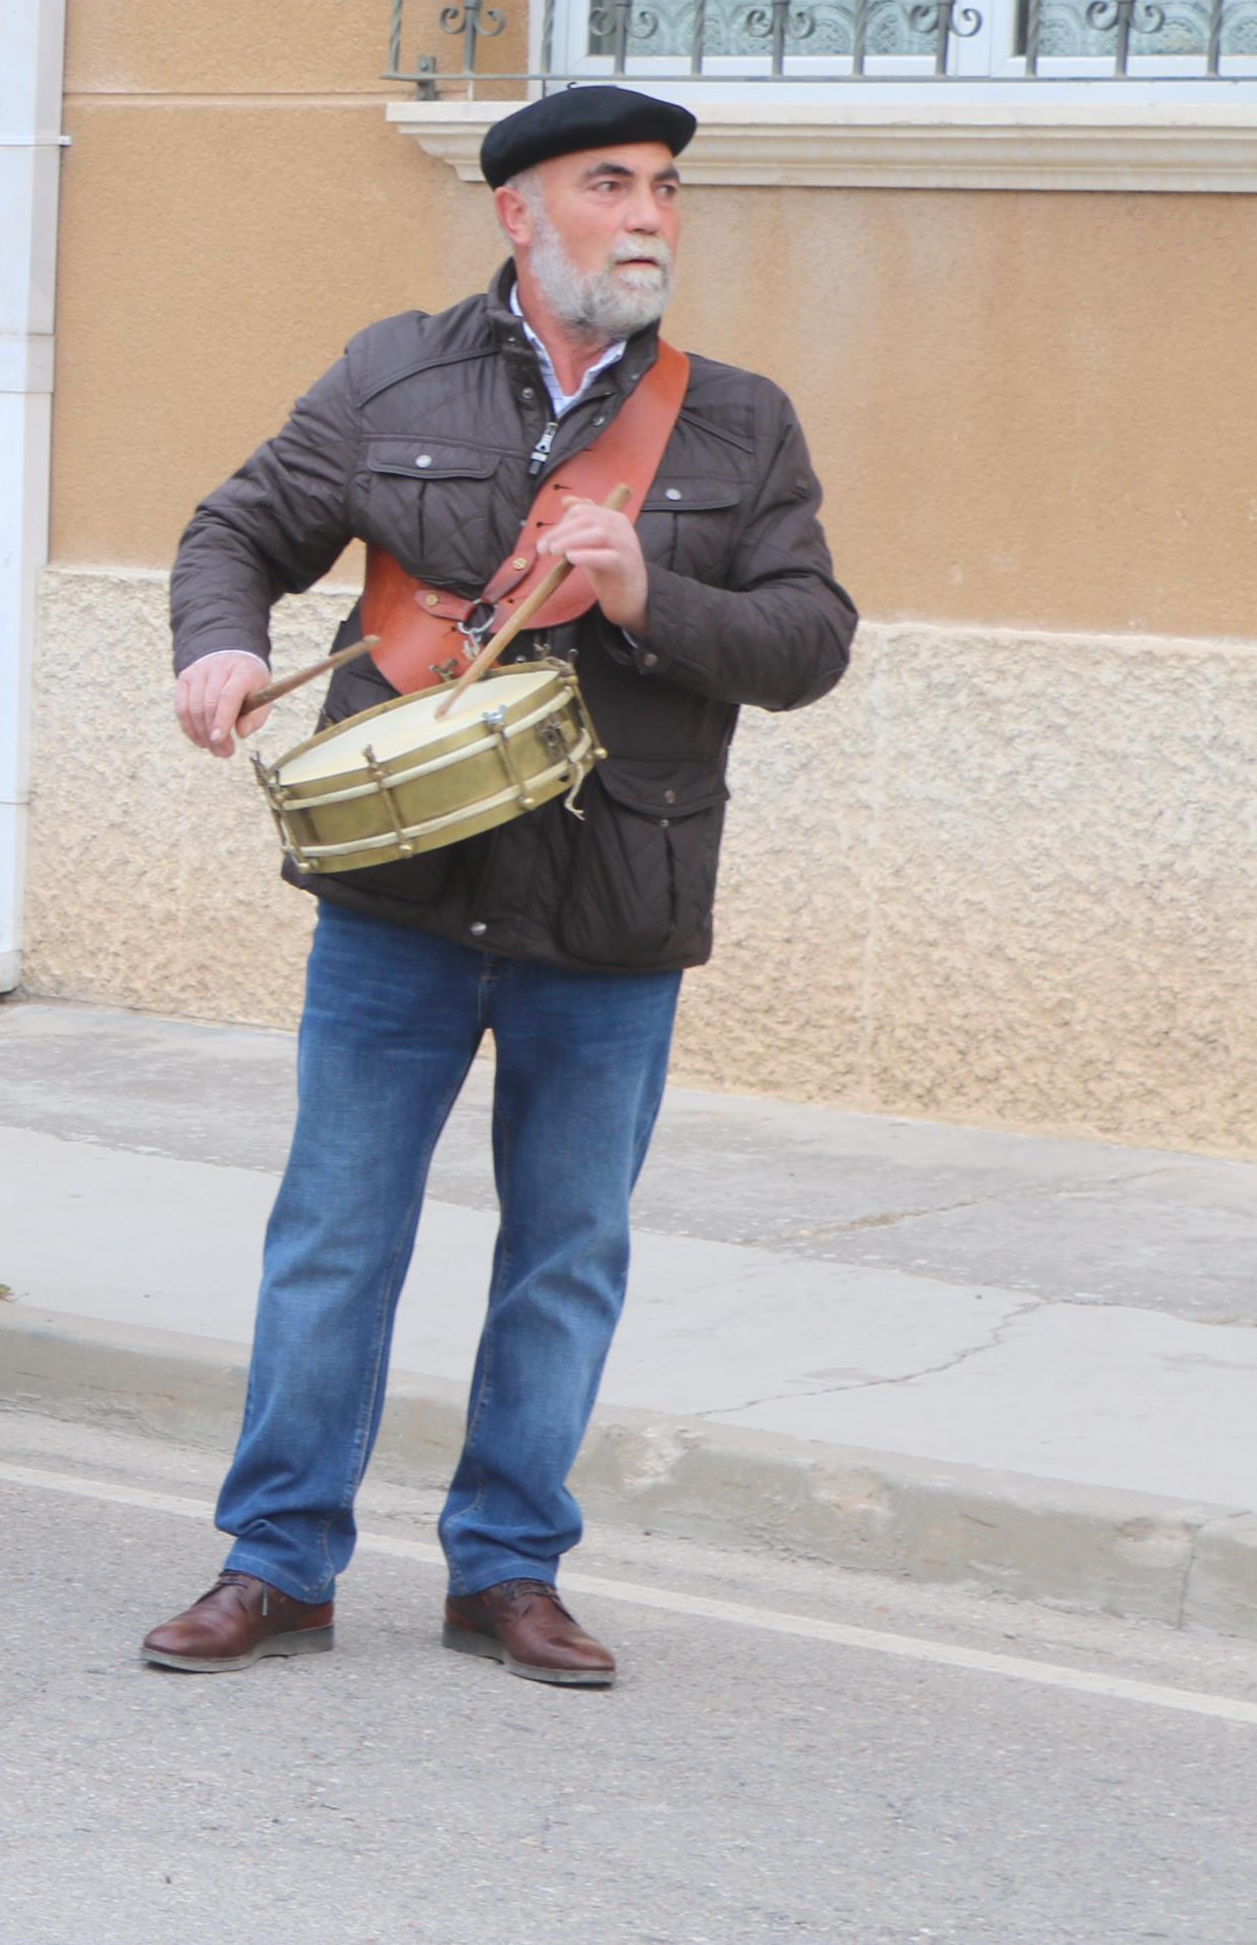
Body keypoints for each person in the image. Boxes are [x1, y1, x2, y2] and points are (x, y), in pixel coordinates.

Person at [144, 83, 853, 1688]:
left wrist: (644, 587)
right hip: (398, 886)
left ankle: (507, 1567)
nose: (649, 213)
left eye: (663, 185)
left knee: (563, 1245)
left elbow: (809, 641)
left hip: (612, 901)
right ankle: (277, 1560)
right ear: (515, 214)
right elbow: (236, 526)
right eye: (608, 182)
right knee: (333, 1230)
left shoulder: (736, 419)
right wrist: (219, 642)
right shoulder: (391, 367)